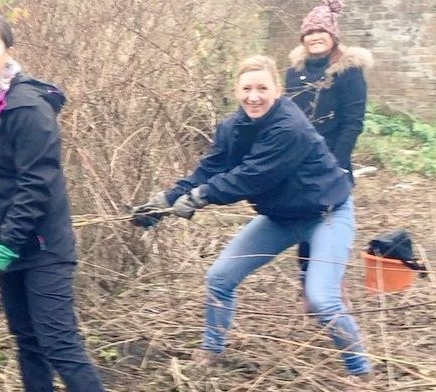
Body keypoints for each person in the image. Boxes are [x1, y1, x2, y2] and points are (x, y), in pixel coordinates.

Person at [133, 55, 372, 383]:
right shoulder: (232, 127)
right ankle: (211, 348)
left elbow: (251, 177)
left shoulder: (289, 126)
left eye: (262, 88)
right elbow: (209, 169)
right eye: (247, 88)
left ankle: (360, 370)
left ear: (277, 90)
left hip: (327, 214)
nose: (254, 96)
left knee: (321, 299)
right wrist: (165, 200)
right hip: (281, 218)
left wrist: (199, 198)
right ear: (237, 91)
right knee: (220, 277)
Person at [0, 12, 104, 391]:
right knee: (28, 344)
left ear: (7, 51)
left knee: (58, 344)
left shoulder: (26, 108)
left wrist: (7, 244)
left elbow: (36, 185)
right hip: (10, 244)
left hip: (43, 247)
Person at [285, 0, 372, 296]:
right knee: (304, 218)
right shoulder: (293, 73)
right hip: (300, 162)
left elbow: (352, 123)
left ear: (333, 36)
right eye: (309, 33)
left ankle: (329, 284)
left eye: (320, 32)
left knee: (329, 221)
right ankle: (308, 283)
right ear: (303, 38)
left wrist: (335, 164)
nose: (314, 37)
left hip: (333, 161)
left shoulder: (349, 73)